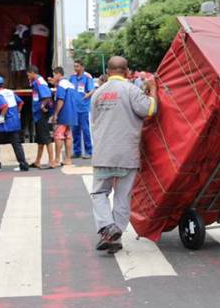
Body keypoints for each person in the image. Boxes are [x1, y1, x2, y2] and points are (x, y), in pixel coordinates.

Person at [90, 56, 158, 254]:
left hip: (104, 153)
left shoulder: (97, 94)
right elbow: (150, 110)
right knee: (122, 196)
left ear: (109, 72)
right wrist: (152, 90)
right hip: (127, 153)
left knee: (99, 192)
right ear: (127, 72)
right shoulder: (131, 90)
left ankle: (108, 229)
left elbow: (95, 121)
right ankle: (115, 232)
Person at [0, 75, 29, 173]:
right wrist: (17, 113)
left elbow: (4, 106)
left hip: (5, 123)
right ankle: (23, 165)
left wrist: (1, 116)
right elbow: (21, 103)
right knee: (16, 144)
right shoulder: (10, 92)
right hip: (14, 122)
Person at [26, 66, 55, 169]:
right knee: (40, 139)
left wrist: (42, 106)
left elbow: (47, 95)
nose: (28, 77)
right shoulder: (36, 82)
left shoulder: (39, 82)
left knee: (46, 138)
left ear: (32, 73)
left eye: (28, 74)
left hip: (41, 114)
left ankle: (52, 161)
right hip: (37, 114)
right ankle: (37, 161)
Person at [50, 67, 76, 166]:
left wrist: (55, 114)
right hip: (71, 114)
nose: (53, 77)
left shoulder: (61, 85)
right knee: (68, 136)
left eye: (54, 75)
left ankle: (57, 159)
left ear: (58, 74)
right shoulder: (70, 84)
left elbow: (61, 100)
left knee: (58, 136)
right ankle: (68, 159)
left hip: (63, 114)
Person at [69, 60, 95, 159]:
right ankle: (77, 151)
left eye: (78, 66)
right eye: (75, 66)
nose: (76, 68)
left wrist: (88, 95)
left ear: (82, 67)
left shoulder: (87, 78)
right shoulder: (72, 78)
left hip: (83, 108)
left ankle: (89, 151)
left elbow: (92, 89)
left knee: (85, 130)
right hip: (74, 109)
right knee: (75, 130)